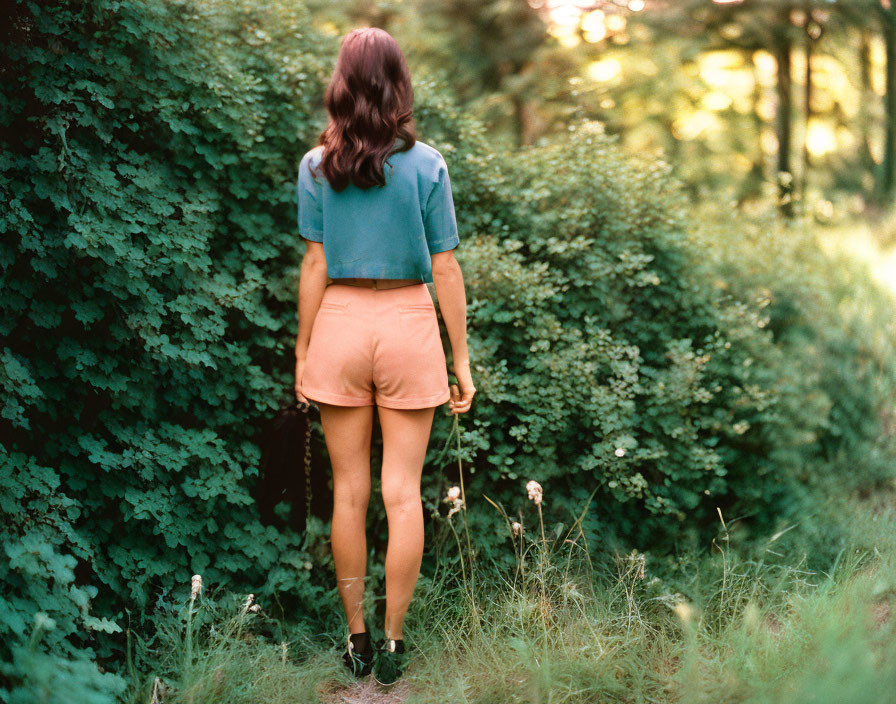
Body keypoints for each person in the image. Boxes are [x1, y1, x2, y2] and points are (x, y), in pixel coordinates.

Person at [292, 27, 476, 686]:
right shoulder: (427, 163)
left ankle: (356, 640)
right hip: (406, 323)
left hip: (340, 323)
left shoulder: (316, 167)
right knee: (402, 496)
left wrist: (304, 348)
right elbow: (445, 267)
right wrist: (460, 359)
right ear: (398, 82)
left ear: (342, 83)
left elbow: (314, 263)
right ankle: (396, 643)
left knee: (349, 496)